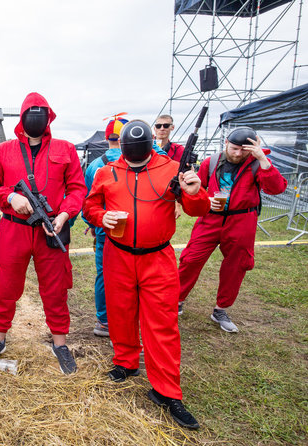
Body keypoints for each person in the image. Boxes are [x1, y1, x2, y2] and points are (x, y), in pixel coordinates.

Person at [84, 119, 211, 430]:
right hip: (118, 255)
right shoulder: (106, 171)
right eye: (130, 156)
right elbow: (89, 207)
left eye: (138, 156)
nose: (134, 161)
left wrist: (194, 192)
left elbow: (199, 209)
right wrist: (102, 216)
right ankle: (126, 362)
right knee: (121, 313)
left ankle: (167, 391)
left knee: (162, 323)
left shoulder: (172, 168)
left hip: (158, 257)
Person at [0, 92, 87, 375]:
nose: (36, 117)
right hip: (14, 229)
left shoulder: (65, 149)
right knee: (5, 286)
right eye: (31, 112)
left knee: (55, 290)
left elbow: (77, 189)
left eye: (41, 113)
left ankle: (60, 343)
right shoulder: (4, 151)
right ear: (22, 118)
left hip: (51, 230)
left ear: (49, 117)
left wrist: (65, 214)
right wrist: (10, 197)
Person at [177, 127, 287, 332]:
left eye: (243, 150)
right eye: (235, 148)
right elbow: (197, 187)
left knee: (236, 265)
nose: (238, 154)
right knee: (190, 258)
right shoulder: (211, 162)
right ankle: (176, 300)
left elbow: (277, 188)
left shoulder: (257, 164)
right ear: (226, 142)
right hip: (210, 217)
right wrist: (205, 198)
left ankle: (221, 309)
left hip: (242, 219)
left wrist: (263, 159)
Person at [83, 116, 128, 337]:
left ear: (108, 138)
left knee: (103, 275)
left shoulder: (94, 165)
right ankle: (126, 320)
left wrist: (92, 223)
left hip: (103, 229)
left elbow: (87, 199)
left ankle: (103, 321)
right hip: (133, 230)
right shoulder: (140, 159)